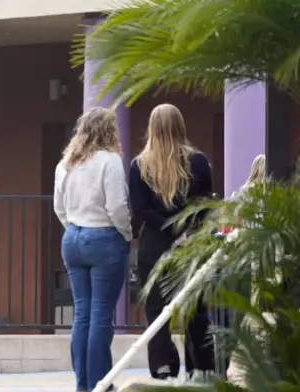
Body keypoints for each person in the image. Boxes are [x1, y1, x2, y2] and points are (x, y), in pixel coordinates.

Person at [129, 103, 215, 380]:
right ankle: (200, 367)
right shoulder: (199, 161)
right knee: (195, 307)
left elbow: (140, 210)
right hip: (191, 242)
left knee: (156, 309)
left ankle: (163, 367)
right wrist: (184, 229)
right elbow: (205, 205)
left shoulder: (139, 166)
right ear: (181, 126)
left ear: (151, 129)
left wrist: (166, 227)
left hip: (153, 244)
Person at [53, 107, 132, 392]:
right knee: (100, 314)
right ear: (109, 130)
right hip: (103, 237)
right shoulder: (110, 161)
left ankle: (83, 384)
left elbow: (59, 207)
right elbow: (116, 206)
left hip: (72, 236)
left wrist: (74, 227)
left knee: (82, 314)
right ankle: (101, 384)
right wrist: (126, 233)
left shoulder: (66, 163)